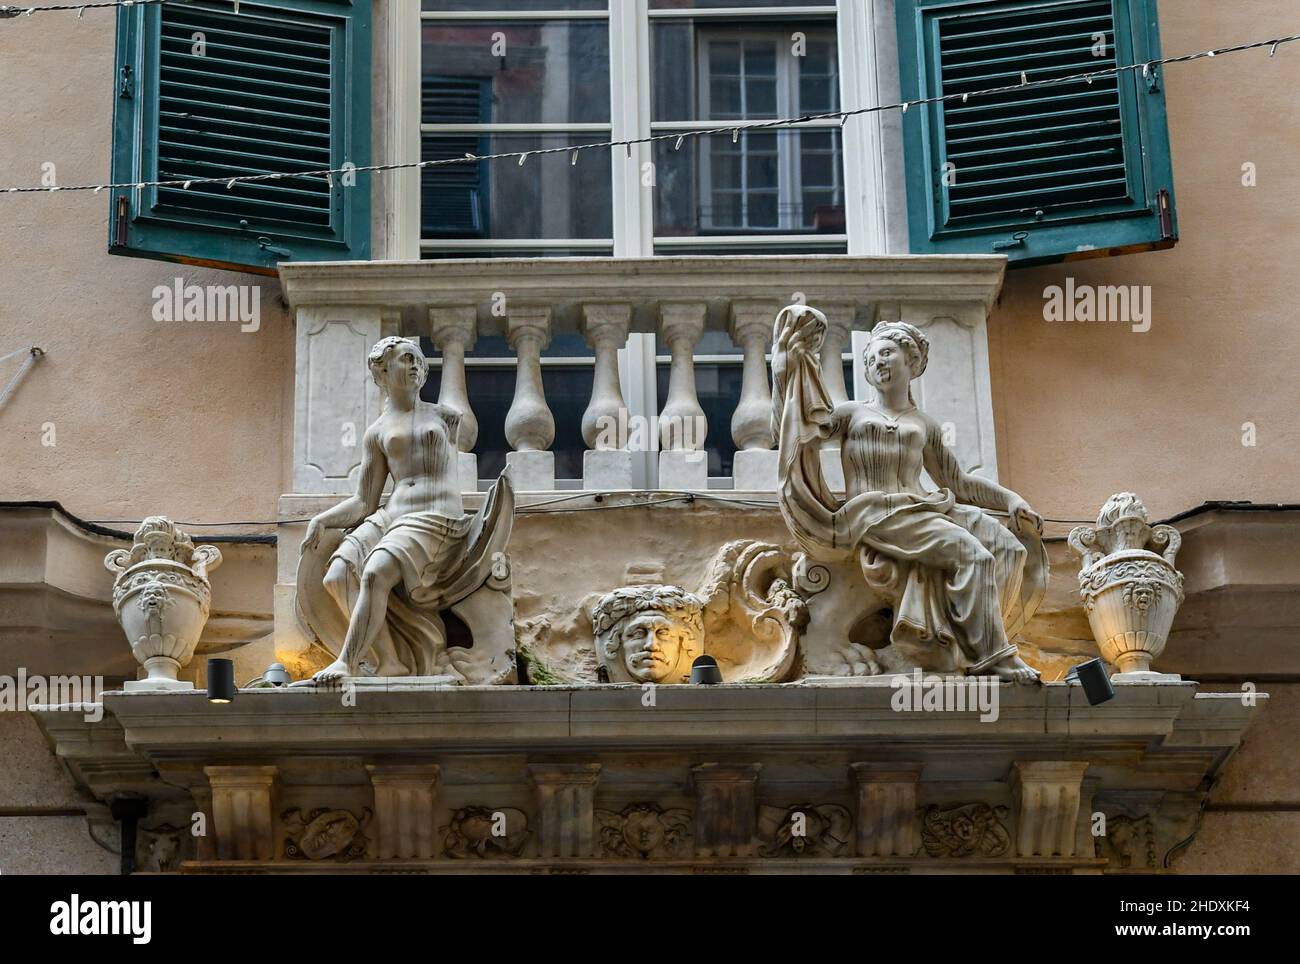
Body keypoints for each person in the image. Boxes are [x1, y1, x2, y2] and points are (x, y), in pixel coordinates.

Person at [771, 305, 1047, 682]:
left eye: (886, 353)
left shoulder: (924, 424)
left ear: (910, 361)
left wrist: (1011, 500)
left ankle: (961, 641)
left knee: (1009, 549)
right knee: (975, 558)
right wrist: (791, 365)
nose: (876, 362)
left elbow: (959, 482)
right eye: (869, 358)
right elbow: (799, 426)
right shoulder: (852, 414)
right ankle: (992, 656)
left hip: (923, 509)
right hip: (875, 514)